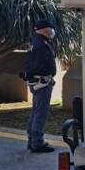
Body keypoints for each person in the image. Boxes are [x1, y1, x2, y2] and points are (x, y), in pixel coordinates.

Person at [22, 19, 57, 153]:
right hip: (42, 83)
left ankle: (32, 140)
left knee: (36, 111)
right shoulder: (42, 44)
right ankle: (37, 142)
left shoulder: (34, 43)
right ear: (45, 30)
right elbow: (39, 65)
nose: (52, 31)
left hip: (36, 82)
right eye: (50, 28)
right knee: (40, 113)